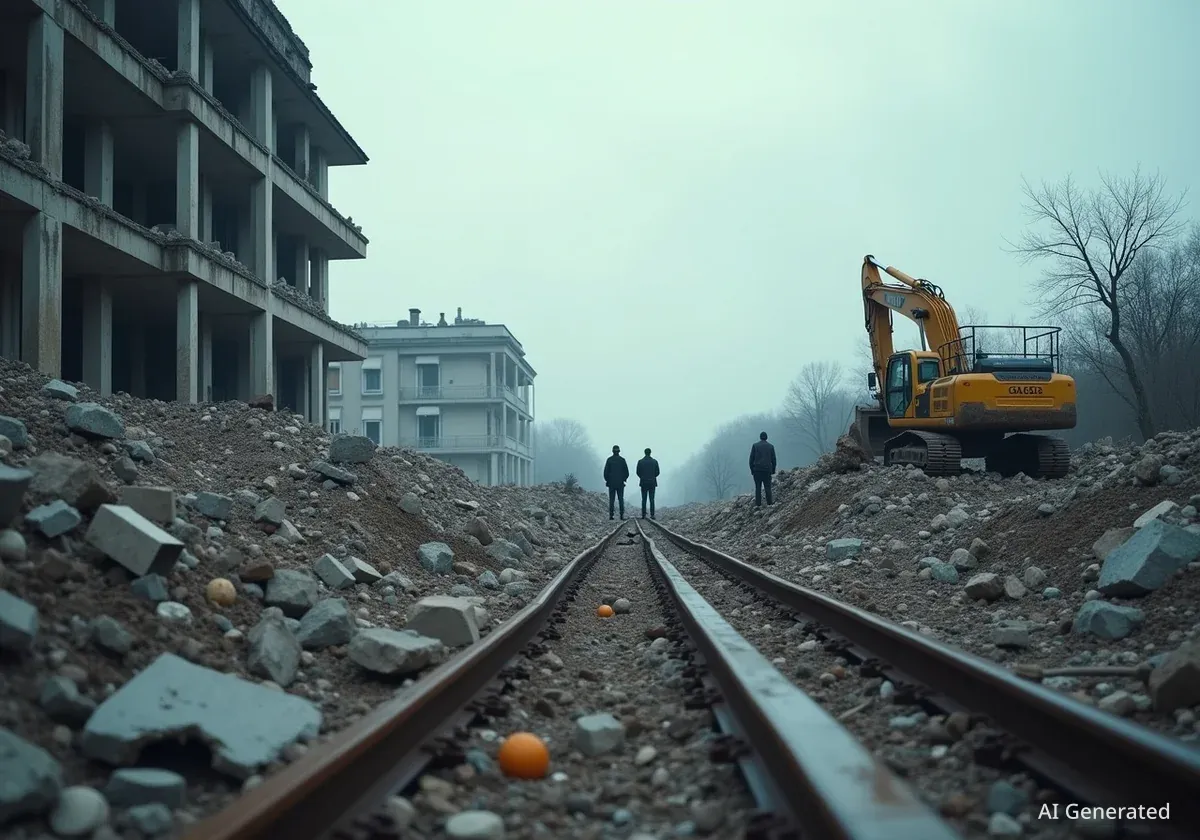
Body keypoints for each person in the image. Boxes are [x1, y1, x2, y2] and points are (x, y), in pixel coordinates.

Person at [749, 431, 777, 507]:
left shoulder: (755, 446)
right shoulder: (771, 446)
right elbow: (773, 459)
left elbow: (751, 459)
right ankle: (769, 503)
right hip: (767, 470)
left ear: (760, 437)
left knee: (758, 487)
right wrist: (773, 470)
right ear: (766, 437)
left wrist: (752, 470)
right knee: (768, 487)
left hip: (757, 470)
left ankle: (758, 504)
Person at [603, 445, 629, 520]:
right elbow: (626, 472)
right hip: (620, 483)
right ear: (619, 451)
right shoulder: (622, 460)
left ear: (612, 451)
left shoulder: (609, 460)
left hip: (611, 483)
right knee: (621, 499)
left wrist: (607, 480)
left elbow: (605, 472)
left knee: (612, 499)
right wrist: (624, 479)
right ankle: (621, 515)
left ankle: (611, 515)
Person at [636, 447, 660, 519]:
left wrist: (642, 477)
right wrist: (652, 476)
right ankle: (652, 514)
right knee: (652, 499)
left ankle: (643, 514)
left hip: (643, 482)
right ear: (650, 453)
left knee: (644, 499)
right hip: (652, 482)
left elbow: (638, 472)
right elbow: (657, 472)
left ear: (644, 453)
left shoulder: (640, 462)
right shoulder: (655, 461)